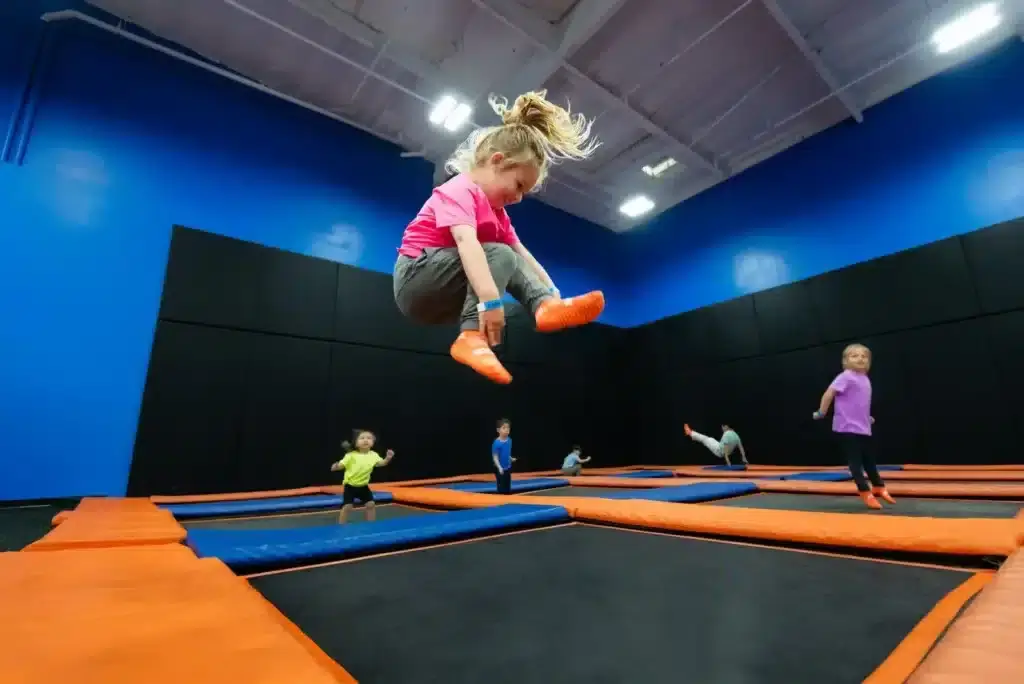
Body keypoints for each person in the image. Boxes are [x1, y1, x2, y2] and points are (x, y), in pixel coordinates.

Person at [393, 90, 606, 384]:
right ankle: (471, 336)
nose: (519, 198)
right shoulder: (460, 189)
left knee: (508, 262)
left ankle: (542, 308)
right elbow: (468, 244)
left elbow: (522, 255)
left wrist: (551, 292)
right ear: (496, 161)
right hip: (414, 280)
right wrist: (488, 303)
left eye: (524, 193)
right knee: (498, 255)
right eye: (518, 185)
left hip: (441, 301)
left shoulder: (498, 216)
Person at [813, 343, 895, 510]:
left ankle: (879, 486)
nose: (860, 358)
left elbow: (860, 403)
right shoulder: (846, 376)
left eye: (864, 356)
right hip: (847, 426)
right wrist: (821, 412)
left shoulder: (865, 378)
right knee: (855, 461)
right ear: (846, 360)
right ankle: (864, 490)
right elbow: (829, 393)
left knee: (869, 460)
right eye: (855, 355)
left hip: (863, 427)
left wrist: (867, 417)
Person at [330, 429, 395, 523]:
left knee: (371, 504)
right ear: (356, 443)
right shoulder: (350, 455)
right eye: (362, 438)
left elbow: (382, 463)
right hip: (350, 486)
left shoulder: (374, 455)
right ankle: (341, 525)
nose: (366, 440)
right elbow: (341, 465)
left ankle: (371, 524)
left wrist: (388, 458)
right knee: (348, 507)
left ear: (373, 442)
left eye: (369, 438)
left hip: (363, 486)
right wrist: (335, 466)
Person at [683, 423, 749, 467]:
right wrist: (744, 458)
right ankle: (690, 433)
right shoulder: (736, 435)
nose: (722, 429)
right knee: (710, 439)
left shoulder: (726, 434)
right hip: (722, 448)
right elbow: (741, 448)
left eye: (722, 427)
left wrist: (728, 461)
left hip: (719, 451)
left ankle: (690, 432)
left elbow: (725, 448)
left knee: (705, 439)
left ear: (725, 427)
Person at [492, 418, 516, 494]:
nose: (506, 430)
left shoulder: (509, 440)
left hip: (507, 468)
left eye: (508, 428)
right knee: (501, 488)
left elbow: (506, 453)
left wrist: (510, 458)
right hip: (499, 469)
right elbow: (495, 457)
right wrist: (499, 468)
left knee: (507, 486)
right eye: (504, 428)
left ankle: (507, 500)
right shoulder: (496, 443)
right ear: (498, 430)